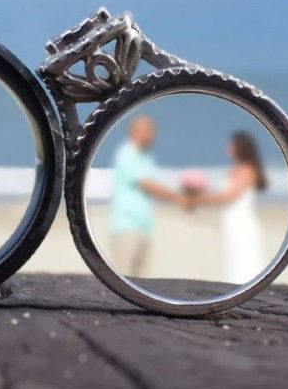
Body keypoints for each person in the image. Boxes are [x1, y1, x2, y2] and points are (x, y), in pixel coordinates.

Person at [107, 115, 184, 277]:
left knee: (142, 281)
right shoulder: (127, 154)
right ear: (136, 131)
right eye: (149, 130)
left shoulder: (145, 157)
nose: (153, 134)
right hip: (126, 227)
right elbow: (147, 185)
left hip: (143, 226)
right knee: (124, 278)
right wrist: (178, 198)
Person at [191, 131, 269, 283]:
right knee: (234, 259)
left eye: (231, 145)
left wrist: (199, 199)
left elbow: (229, 196)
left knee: (245, 261)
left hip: (241, 223)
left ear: (240, 147)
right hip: (231, 221)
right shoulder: (237, 169)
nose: (228, 148)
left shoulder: (246, 170)